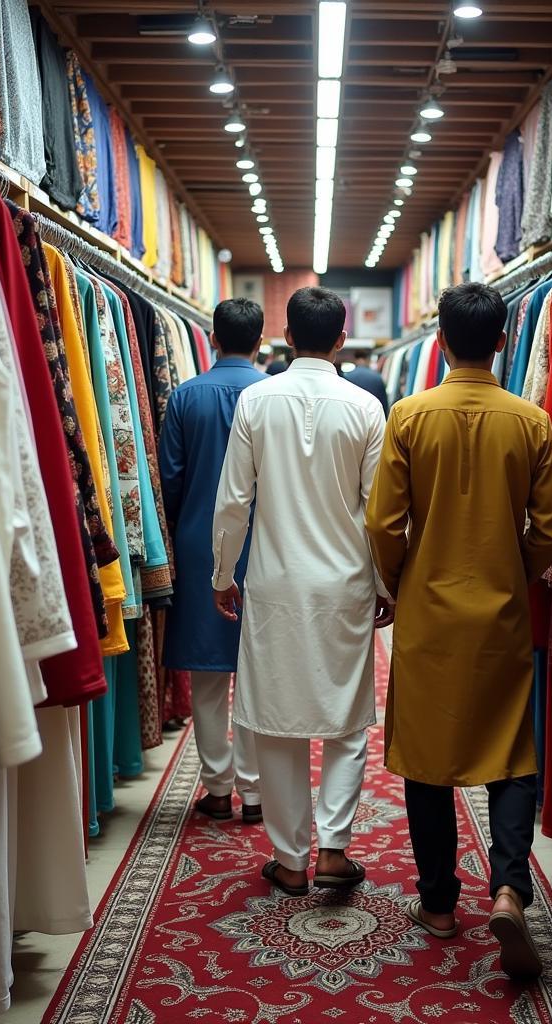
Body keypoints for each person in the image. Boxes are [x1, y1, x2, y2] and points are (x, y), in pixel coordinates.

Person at [365, 282, 552, 979]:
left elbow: (383, 523)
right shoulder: (530, 420)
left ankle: (441, 904)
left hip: (428, 611)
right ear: (505, 340)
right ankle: (509, 889)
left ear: (442, 342)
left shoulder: (410, 415)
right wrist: (515, 567)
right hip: (501, 608)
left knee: (428, 758)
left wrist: (397, 580)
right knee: (511, 752)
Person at [212, 286, 393, 897]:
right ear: (342, 338)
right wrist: (386, 583)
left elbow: (234, 499)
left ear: (286, 335)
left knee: (277, 721)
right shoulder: (367, 407)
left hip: (274, 583)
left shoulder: (256, 402)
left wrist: (221, 574)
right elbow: (380, 509)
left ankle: (290, 860)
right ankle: (335, 850)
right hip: (344, 582)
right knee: (346, 721)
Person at [158, 297, 267, 824]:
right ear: (261, 339)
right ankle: (254, 791)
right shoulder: (273, 394)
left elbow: (170, 479)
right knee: (257, 668)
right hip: (266, 541)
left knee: (207, 674)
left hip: (202, 538)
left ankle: (218, 788)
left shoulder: (184, 397)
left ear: (214, 338)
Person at [344, 348, 389, 416]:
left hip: (352, 416)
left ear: (354, 360)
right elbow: (384, 403)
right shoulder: (377, 377)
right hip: (372, 416)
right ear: (367, 359)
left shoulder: (347, 377)